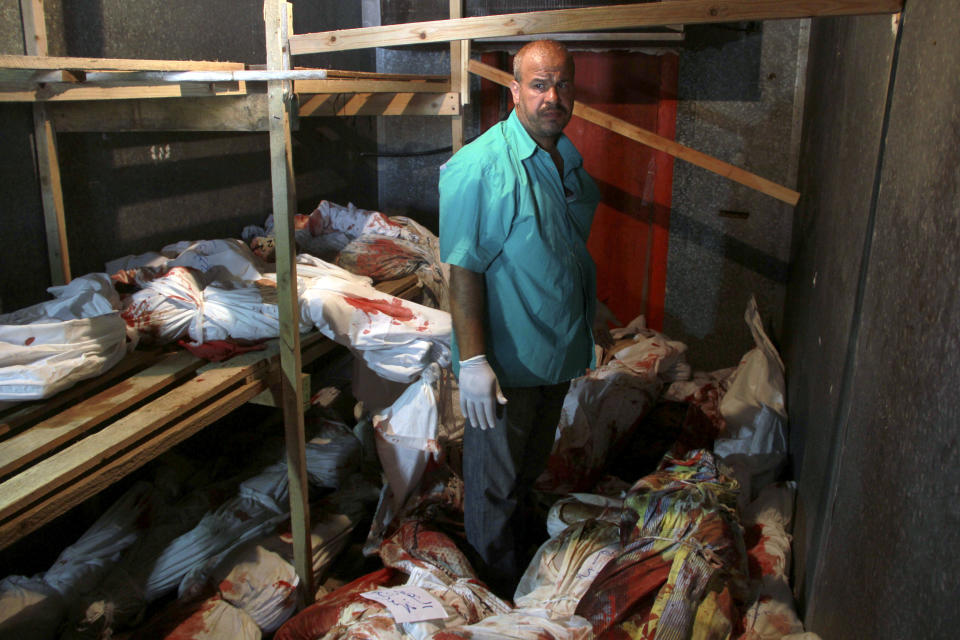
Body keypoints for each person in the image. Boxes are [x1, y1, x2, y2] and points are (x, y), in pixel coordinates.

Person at [438, 39, 612, 595]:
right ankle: (493, 598)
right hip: (506, 366)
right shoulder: (480, 167)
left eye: (562, 84)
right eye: (539, 84)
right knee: (493, 486)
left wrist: (591, 318)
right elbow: (462, 269)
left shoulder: (562, 157)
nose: (552, 97)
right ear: (514, 91)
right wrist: (474, 361)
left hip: (553, 355)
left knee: (524, 474)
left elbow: (560, 253)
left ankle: (521, 566)